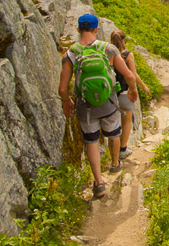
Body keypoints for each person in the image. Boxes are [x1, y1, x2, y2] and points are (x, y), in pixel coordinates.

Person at [58, 14, 138, 198]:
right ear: (96, 29)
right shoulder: (108, 49)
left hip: (85, 107)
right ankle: (115, 163)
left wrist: (67, 101)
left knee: (91, 141)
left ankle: (99, 182)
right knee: (114, 134)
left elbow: (63, 88)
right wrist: (132, 90)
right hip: (108, 103)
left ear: (78, 29)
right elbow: (129, 76)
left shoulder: (71, 54)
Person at [110, 29, 150, 159]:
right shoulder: (127, 55)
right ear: (123, 40)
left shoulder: (108, 54)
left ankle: (112, 153)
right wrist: (142, 86)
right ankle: (123, 149)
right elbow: (133, 74)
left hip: (111, 94)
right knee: (126, 121)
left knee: (114, 122)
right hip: (126, 93)